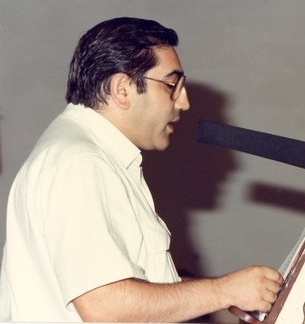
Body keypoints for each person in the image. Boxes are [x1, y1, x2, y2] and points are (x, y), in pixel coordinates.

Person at [0, 17, 283, 322]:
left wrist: (221, 295)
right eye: (172, 85)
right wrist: (224, 291)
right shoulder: (79, 162)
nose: (184, 102)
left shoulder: (90, 155)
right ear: (122, 89)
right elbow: (105, 307)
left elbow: (130, 290)